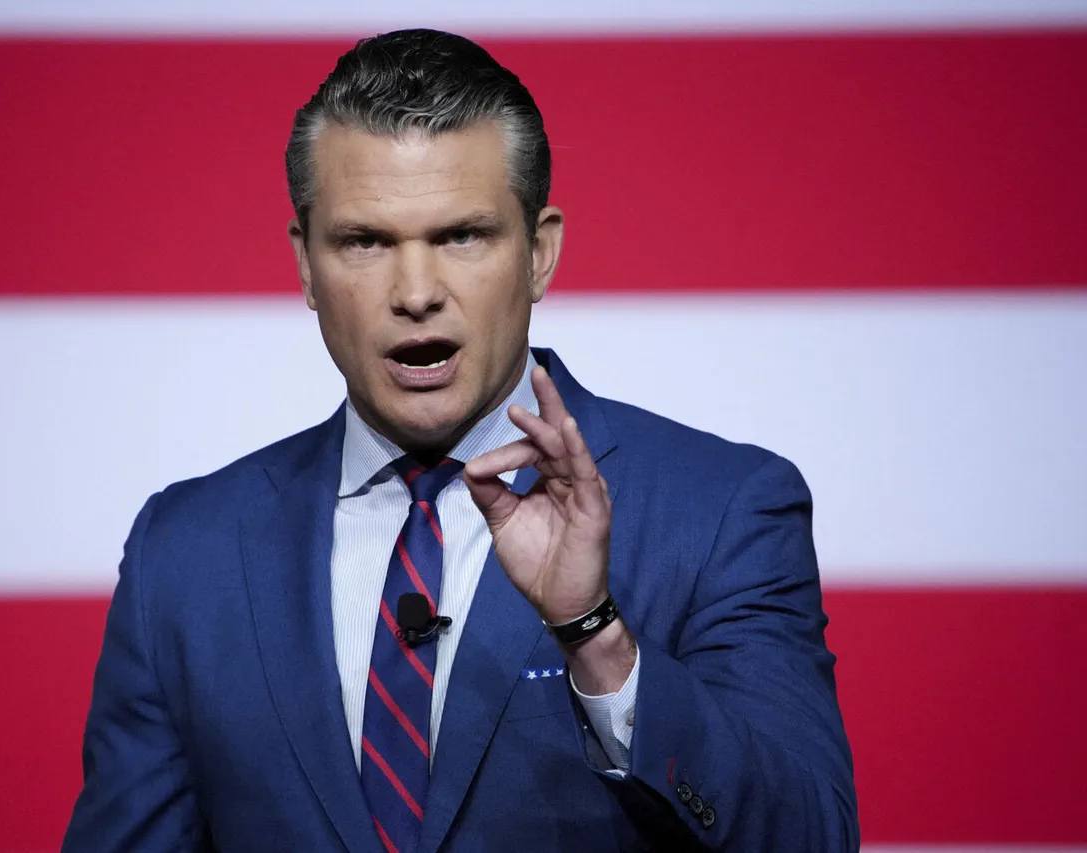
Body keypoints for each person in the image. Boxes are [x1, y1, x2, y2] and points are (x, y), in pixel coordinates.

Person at [62, 28, 858, 853]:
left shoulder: (720, 511)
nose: (416, 292)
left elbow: (810, 839)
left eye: (461, 236)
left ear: (539, 253)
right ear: (305, 264)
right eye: (365, 241)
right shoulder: (184, 552)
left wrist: (596, 635)